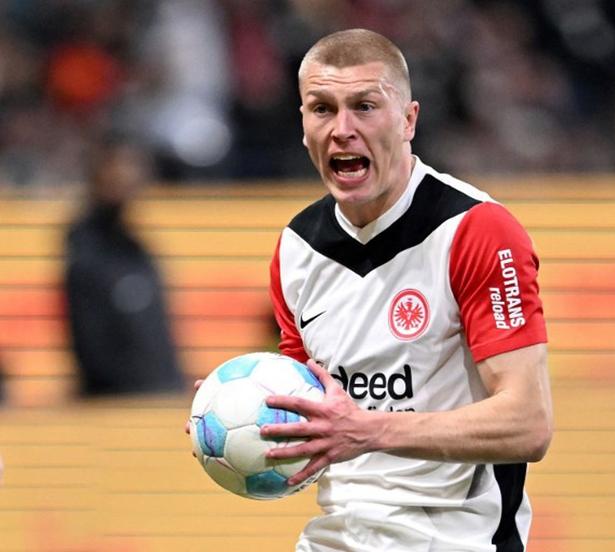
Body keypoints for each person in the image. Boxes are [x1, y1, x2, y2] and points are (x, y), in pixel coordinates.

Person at [251, 28, 551, 551]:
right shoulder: (296, 249)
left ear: (409, 119)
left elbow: (528, 422)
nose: (343, 129)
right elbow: (316, 420)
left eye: (364, 107)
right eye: (322, 109)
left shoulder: (476, 230)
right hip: (338, 537)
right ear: (303, 125)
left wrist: (368, 430)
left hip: (457, 538)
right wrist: (242, 421)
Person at [65, 137, 184, 396]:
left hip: (157, 392)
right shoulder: (87, 250)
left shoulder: (135, 247)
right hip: (119, 400)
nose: (129, 176)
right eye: (119, 166)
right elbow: (91, 342)